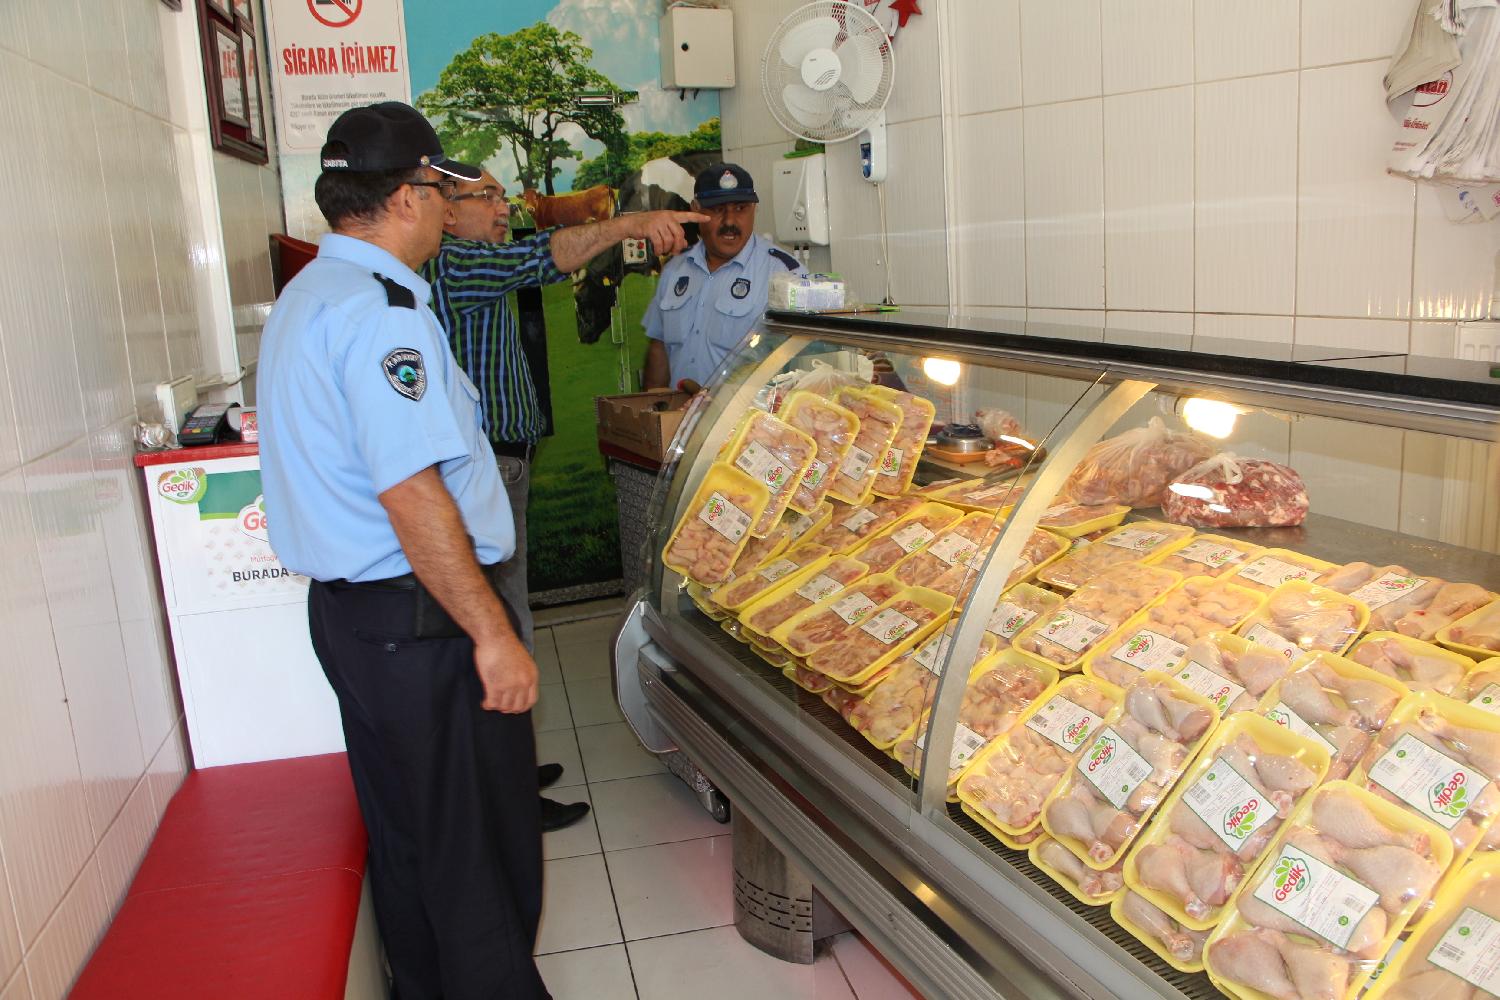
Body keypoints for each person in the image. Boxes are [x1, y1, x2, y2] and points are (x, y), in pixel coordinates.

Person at [258, 101, 549, 1000]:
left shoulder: (311, 293)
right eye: (441, 187)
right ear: (410, 195)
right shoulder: (383, 314)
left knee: (412, 836)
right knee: (478, 848)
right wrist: (492, 633)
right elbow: (411, 491)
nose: (447, 205)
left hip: (358, 620)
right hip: (420, 624)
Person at [424, 169, 704, 833]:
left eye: (501, 195)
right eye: (487, 198)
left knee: (507, 613)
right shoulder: (458, 265)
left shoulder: (471, 264)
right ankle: (505, 794)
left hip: (501, 463)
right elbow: (545, 256)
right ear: (445, 211)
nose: (503, 208)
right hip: (483, 469)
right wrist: (634, 224)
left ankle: (508, 767)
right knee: (498, 622)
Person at [642, 163, 807, 390]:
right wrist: (652, 405)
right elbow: (659, 347)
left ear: (754, 209)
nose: (730, 221)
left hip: (749, 412)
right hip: (679, 410)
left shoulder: (785, 275)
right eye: (718, 209)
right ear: (696, 210)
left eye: (740, 209)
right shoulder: (675, 270)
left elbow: (803, 360)